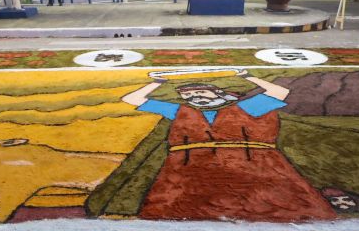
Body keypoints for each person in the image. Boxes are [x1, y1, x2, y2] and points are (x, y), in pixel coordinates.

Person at [119, 69, 336, 222]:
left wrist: (247, 76)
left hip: (253, 166)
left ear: (218, 93)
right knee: (176, 210)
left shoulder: (246, 107)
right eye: (189, 95)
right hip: (190, 169)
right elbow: (132, 98)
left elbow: (279, 93)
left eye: (200, 92)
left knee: (277, 206)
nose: (195, 97)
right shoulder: (180, 111)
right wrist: (157, 82)